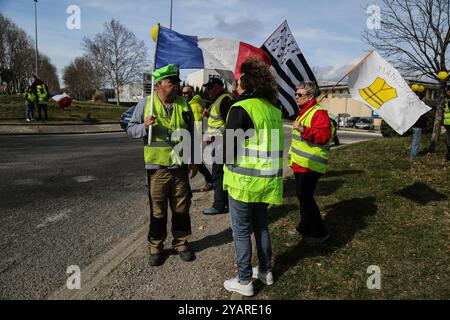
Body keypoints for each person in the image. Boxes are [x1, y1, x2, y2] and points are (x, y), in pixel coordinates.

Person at [222, 57, 284, 297]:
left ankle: (244, 279)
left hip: (243, 181)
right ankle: (266, 271)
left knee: (240, 231)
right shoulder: (272, 109)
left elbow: (229, 150)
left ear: (246, 82)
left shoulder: (241, 108)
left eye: (238, 81)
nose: (236, 85)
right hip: (266, 180)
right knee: (262, 226)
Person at [127, 64, 198, 266]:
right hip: (157, 169)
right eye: (171, 82)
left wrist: (194, 160)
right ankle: (156, 246)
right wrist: (144, 126)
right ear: (158, 85)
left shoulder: (184, 104)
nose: (176, 86)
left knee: (181, 208)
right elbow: (130, 129)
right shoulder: (146, 104)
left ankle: (181, 243)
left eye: (177, 82)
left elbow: (193, 135)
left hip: (180, 168)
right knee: (158, 210)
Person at [288, 81, 334, 244]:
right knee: (302, 197)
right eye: (296, 93)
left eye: (299, 94)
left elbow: (323, 137)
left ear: (310, 96)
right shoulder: (304, 112)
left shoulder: (318, 113)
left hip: (310, 165)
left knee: (305, 197)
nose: (296, 97)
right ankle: (304, 227)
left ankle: (321, 233)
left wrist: (302, 129)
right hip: (300, 163)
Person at [201, 78, 233, 215]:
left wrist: (217, 137)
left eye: (211, 87)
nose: (208, 91)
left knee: (218, 174)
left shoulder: (224, 100)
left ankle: (219, 205)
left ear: (220, 87)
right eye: (207, 88)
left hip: (221, 144)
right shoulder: (217, 101)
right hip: (218, 144)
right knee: (220, 174)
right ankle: (226, 203)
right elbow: (218, 122)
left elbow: (231, 124)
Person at [181, 85, 213, 192]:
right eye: (183, 93)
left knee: (188, 162)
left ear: (192, 93)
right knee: (195, 162)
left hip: (192, 138)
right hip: (192, 138)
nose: (183, 95)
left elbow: (196, 126)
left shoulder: (193, 106)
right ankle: (210, 180)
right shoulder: (192, 104)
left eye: (186, 93)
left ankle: (183, 187)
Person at [410, 91, 427, 161]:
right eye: (425, 97)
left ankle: (414, 154)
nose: (426, 99)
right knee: (416, 142)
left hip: (415, 126)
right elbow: (421, 117)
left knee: (415, 141)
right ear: (422, 98)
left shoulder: (416, 105)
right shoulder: (420, 106)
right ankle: (413, 156)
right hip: (418, 127)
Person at [444, 88, 450, 161]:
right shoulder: (448, 101)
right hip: (448, 124)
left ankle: (448, 156)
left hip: (448, 124)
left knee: (448, 141)